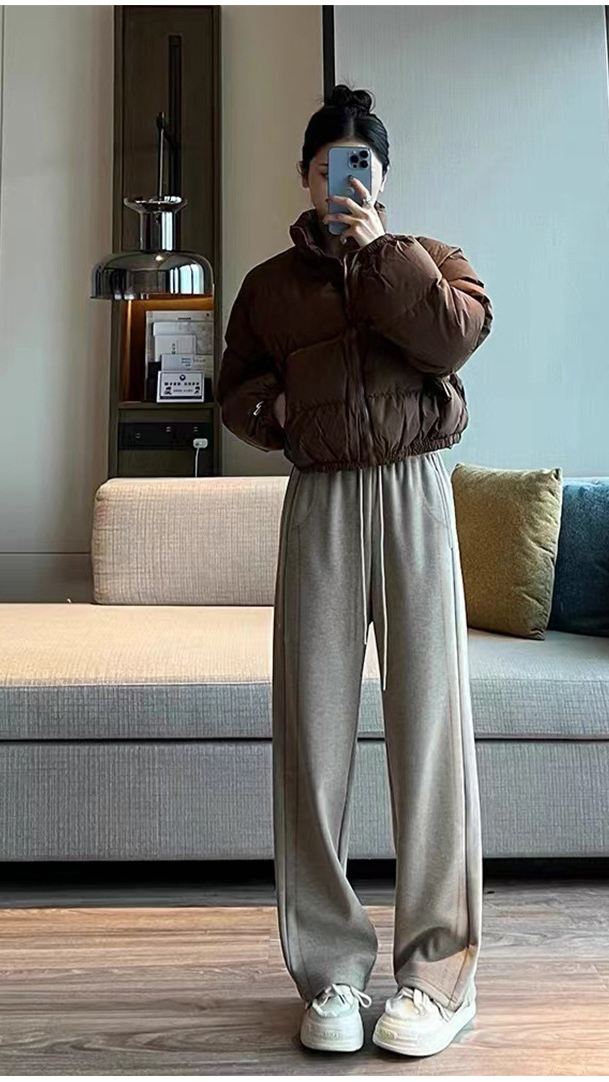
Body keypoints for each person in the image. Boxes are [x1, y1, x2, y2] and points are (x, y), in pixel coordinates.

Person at [215, 83, 493, 1058]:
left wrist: (381, 253)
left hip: (415, 494)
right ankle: (329, 972)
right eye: (331, 164)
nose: (347, 179)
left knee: (431, 734)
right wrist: (278, 415)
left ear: (384, 175)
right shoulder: (268, 287)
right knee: (312, 738)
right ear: (305, 173)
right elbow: (234, 389)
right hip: (322, 503)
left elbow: (454, 336)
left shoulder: (430, 260)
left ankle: (436, 977)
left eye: (363, 164)